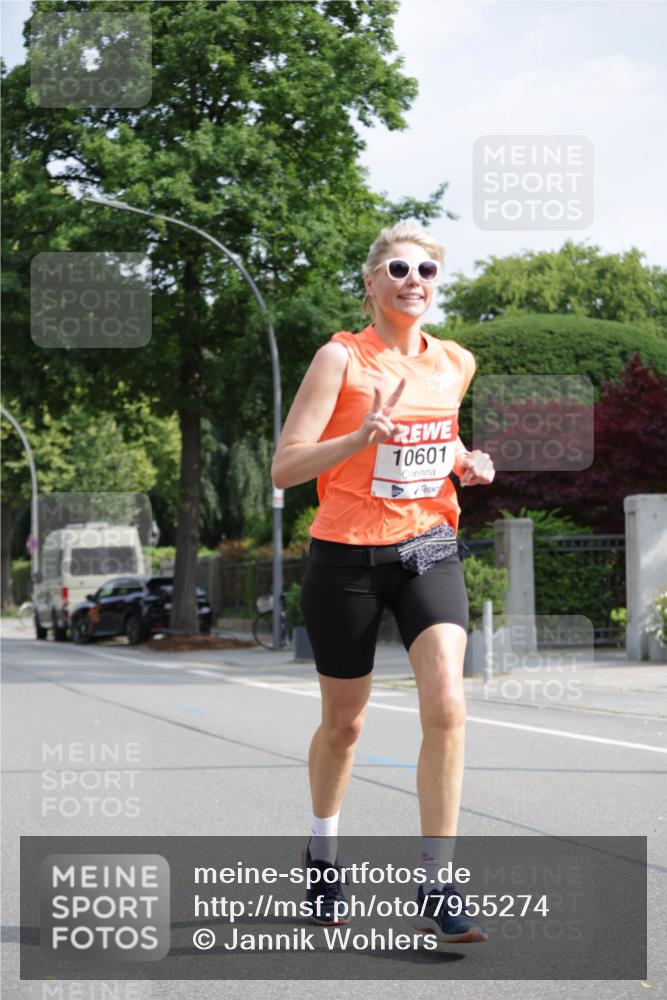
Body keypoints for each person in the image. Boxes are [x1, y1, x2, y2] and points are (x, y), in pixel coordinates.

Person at [271, 221, 495, 944]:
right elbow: (286, 467)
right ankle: (324, 852)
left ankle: (438, 878)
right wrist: (358, 439)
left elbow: (440, 435)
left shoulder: (454, 362)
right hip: (344, 557)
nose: (413, 281)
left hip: (429, 546)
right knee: (346, 725)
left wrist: (465, 462)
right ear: (370, 283)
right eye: (398, 268)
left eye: (426, 271)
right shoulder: (340, 359)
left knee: (448, 704)